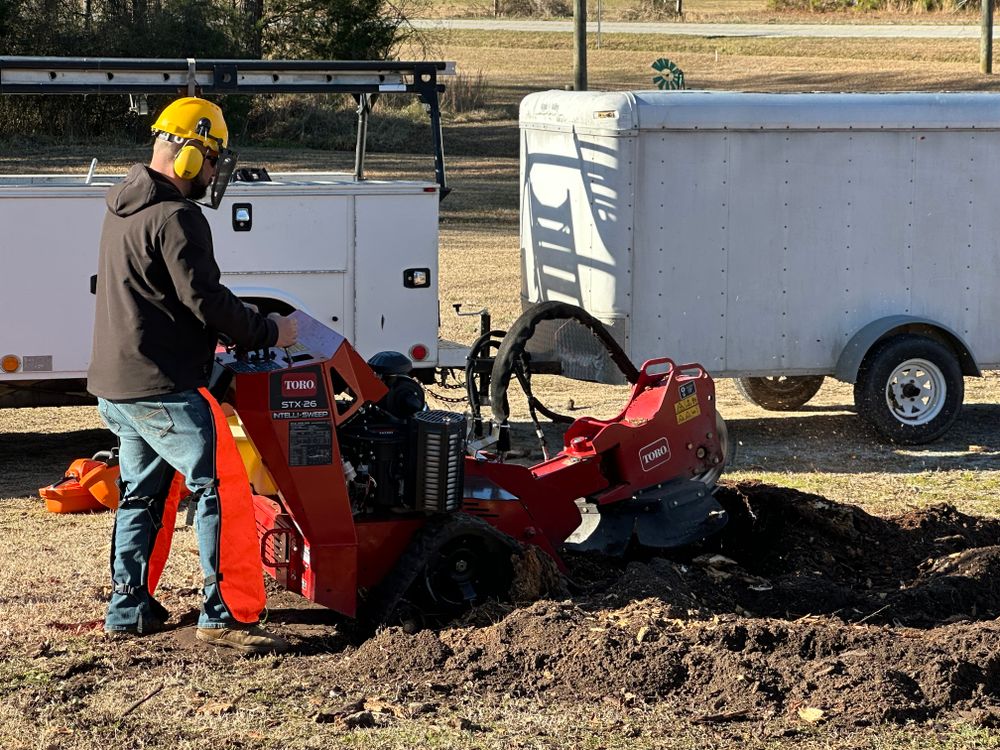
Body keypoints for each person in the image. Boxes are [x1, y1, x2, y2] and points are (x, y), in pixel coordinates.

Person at [87, 96, 297, 654]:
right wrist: (271, 332)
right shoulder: (178, 216)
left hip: (120, 385)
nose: (212, 174)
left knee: (144, 494)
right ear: (187, 154)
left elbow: (164, 296)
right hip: (165, 388)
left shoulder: (122, 205)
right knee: (223, 490)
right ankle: (226, 614)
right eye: (211, 160)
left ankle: (128, 607)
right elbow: (204, 299)